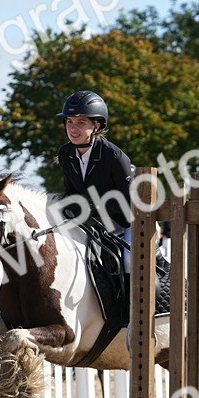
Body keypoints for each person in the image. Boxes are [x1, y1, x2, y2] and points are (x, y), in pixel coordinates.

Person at [56, 89, 134, 297]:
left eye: (81, 123)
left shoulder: (114, 156)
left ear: (96, 125)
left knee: (128, 259)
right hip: (93, 222)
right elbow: (71, 189)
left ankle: (130, 309)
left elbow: (129, 201)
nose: (73, 128)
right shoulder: (66, 153)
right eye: (69, 122)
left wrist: (92, 207)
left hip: (126, 221)